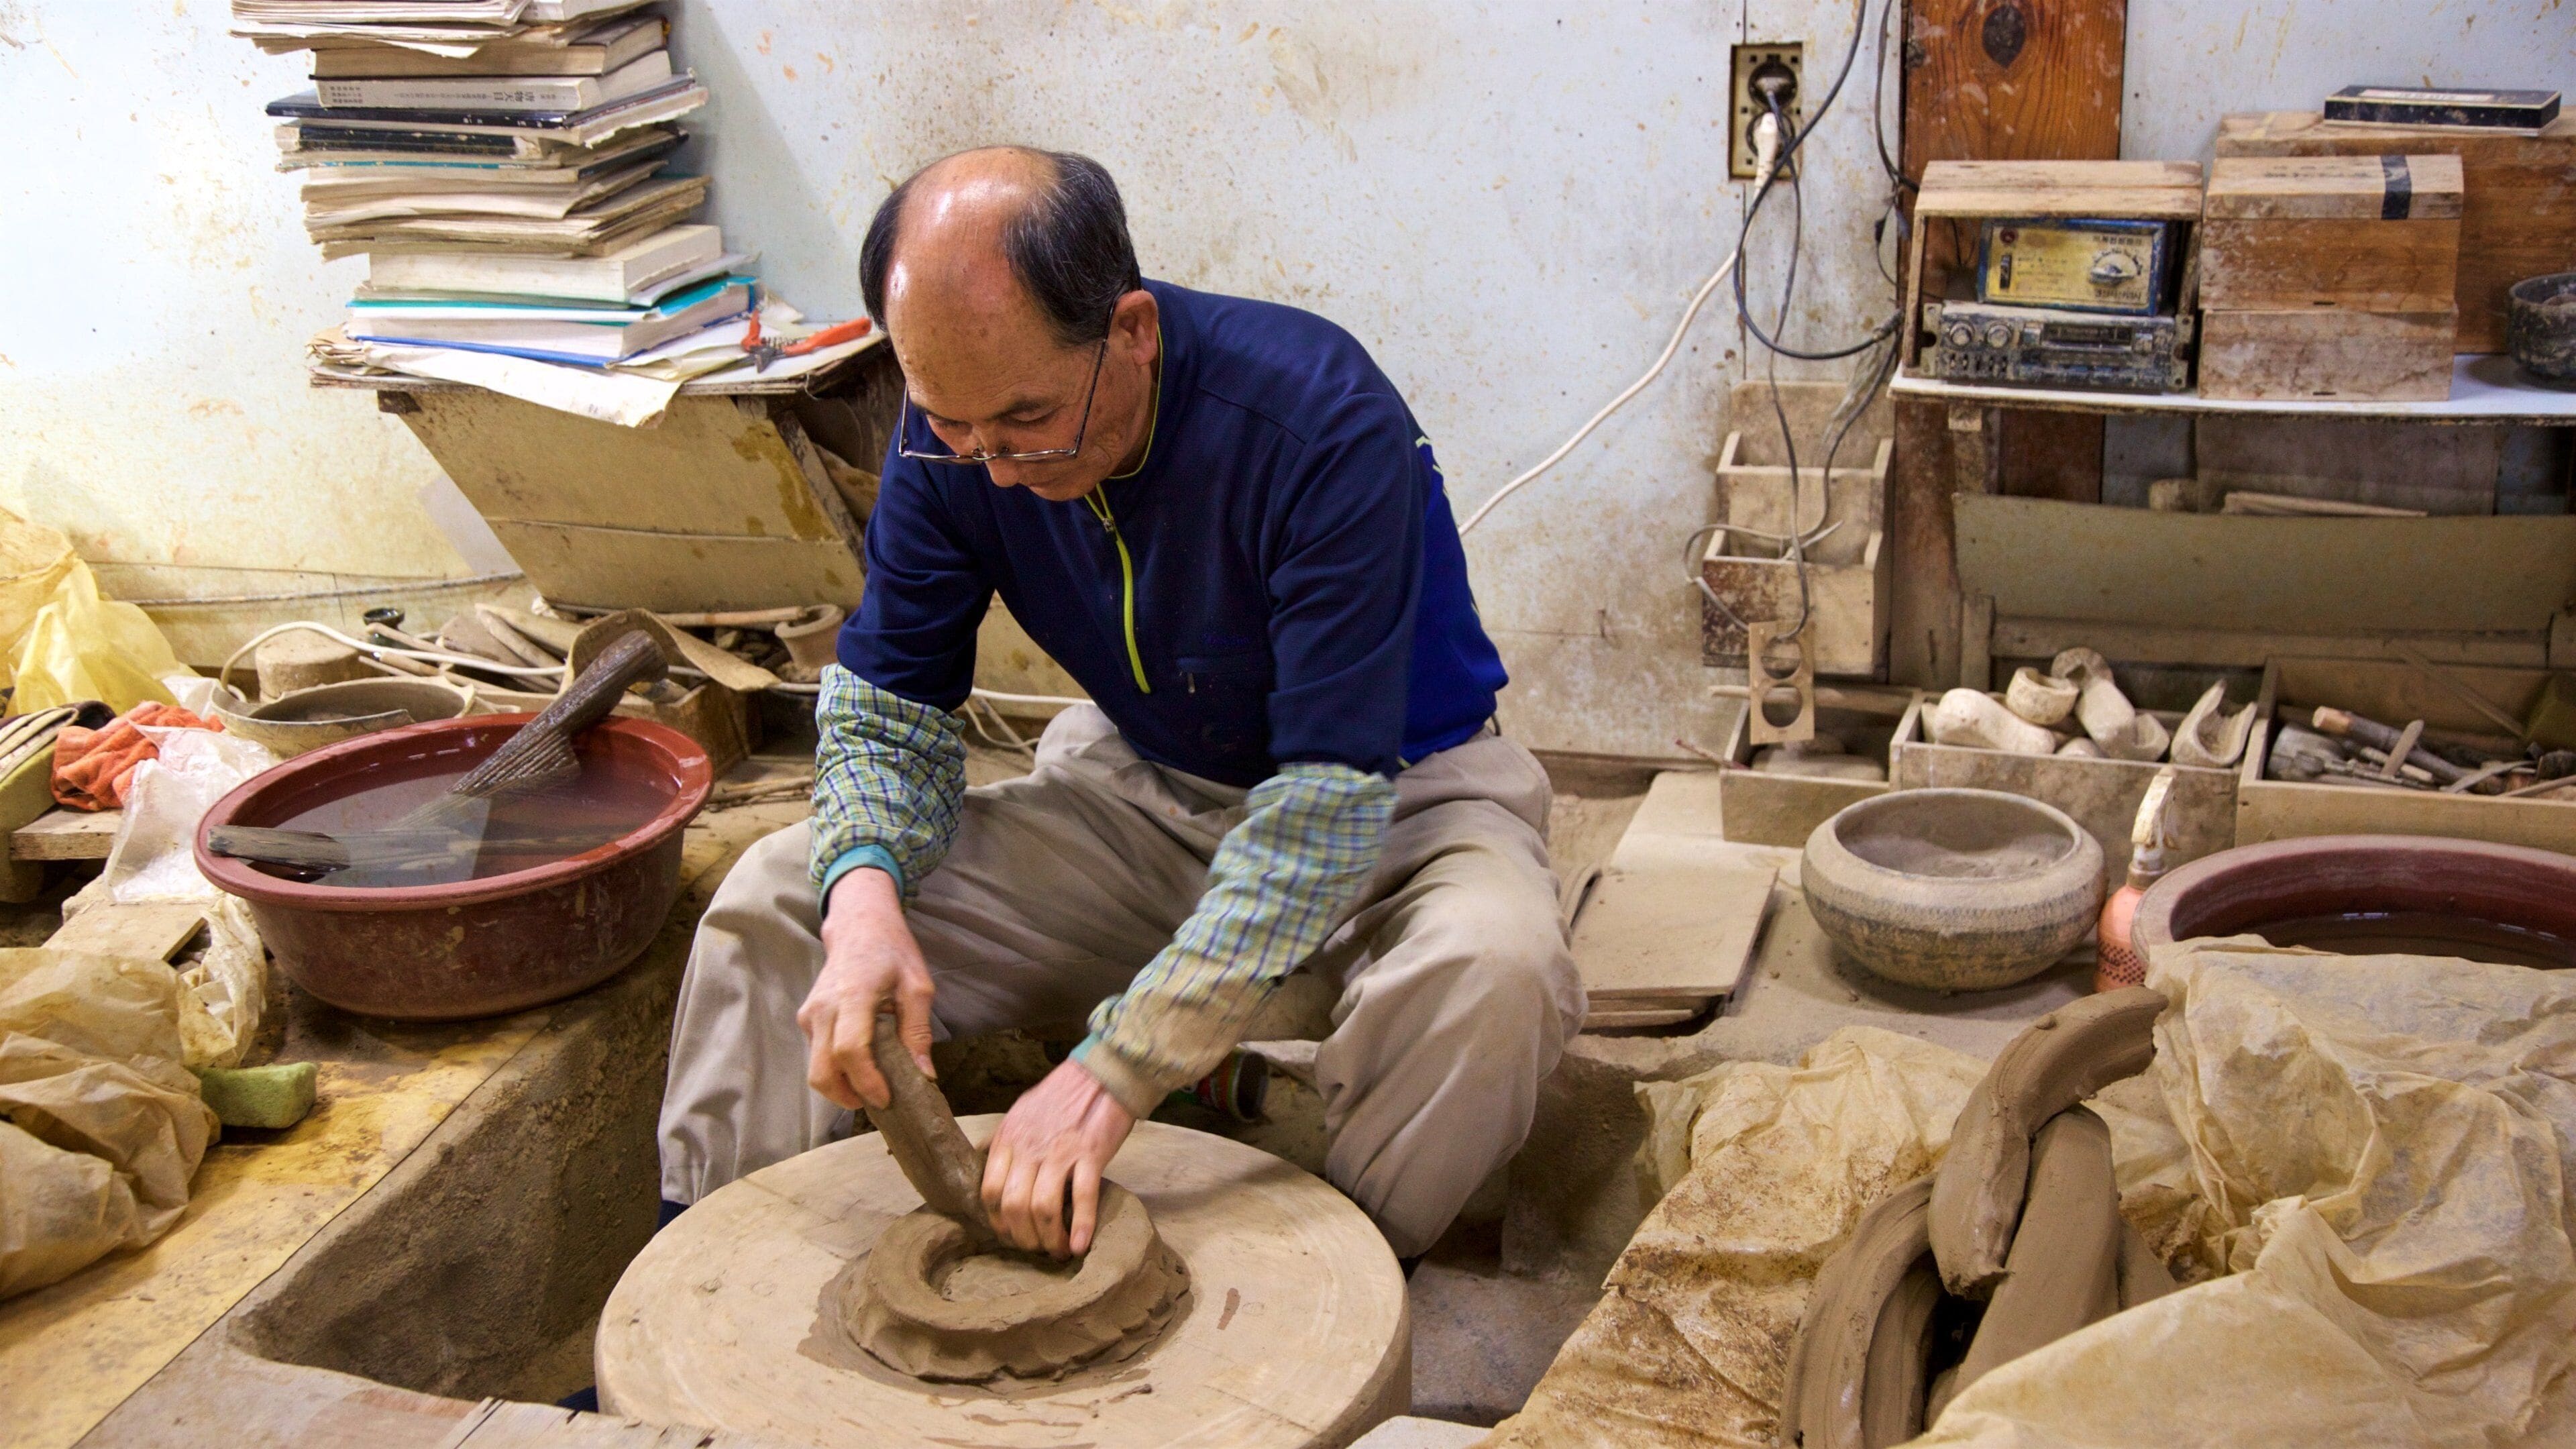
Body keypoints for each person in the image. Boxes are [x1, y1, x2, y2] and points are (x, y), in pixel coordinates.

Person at [657, 145, 1584, 1262]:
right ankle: (706, 1289)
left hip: (1395, 804)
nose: (991, 467)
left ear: (1132, 331)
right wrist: (861, 905)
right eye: (952, 425)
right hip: (1145, 794)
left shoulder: (1321, 424)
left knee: (1497, 973)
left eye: (1026, 422)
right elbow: (887, 709)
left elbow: (1318, 824)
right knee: (780, 903)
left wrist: (1108, 1078)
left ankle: (1346, 1286)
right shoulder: (954, 432)